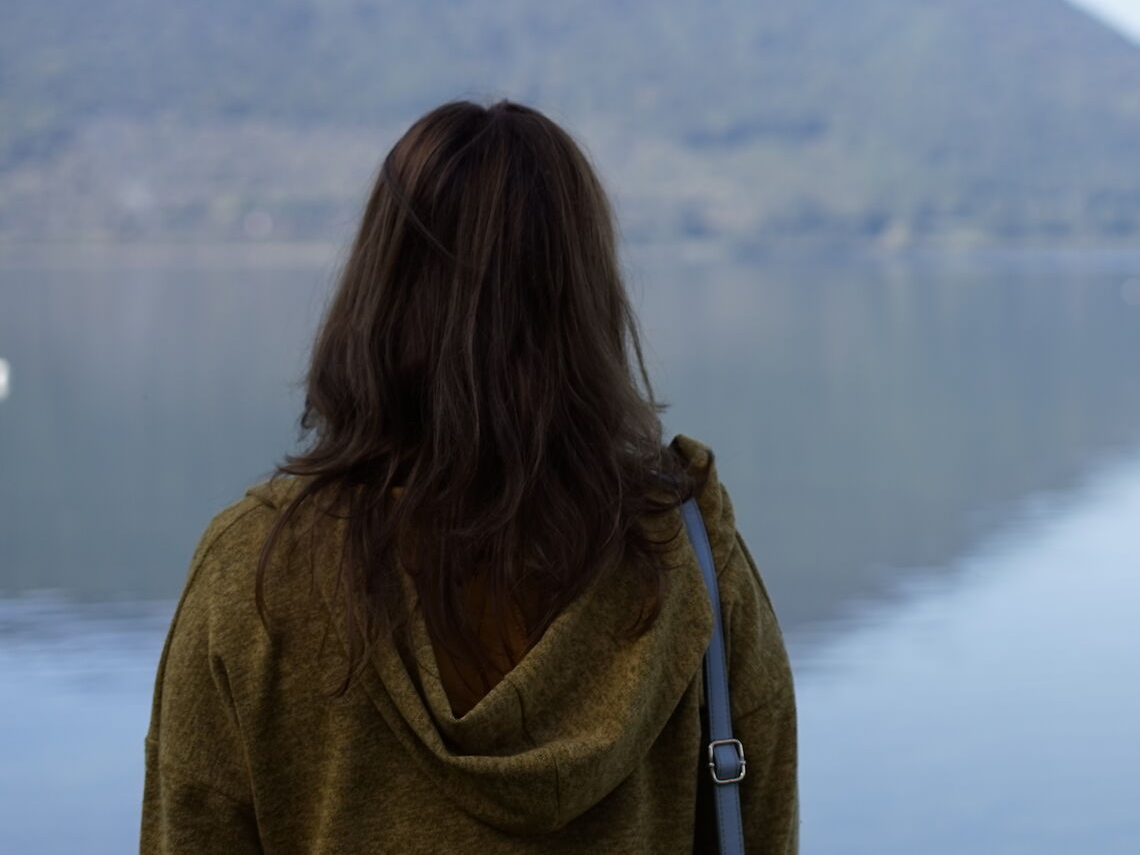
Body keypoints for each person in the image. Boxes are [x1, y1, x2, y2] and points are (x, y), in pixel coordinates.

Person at [141, 100, 797, 853]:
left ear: (377, 294)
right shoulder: (692, 561)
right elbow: (765, 829)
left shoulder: (255, 571)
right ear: (586, 300)